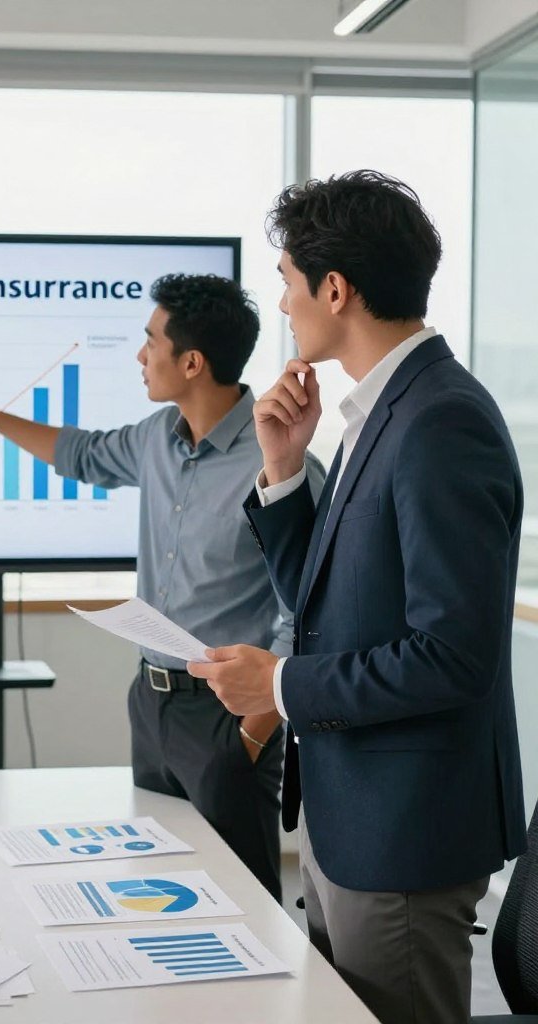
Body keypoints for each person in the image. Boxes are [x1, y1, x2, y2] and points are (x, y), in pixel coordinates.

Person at [192, 171, 527, 1024]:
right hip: (355, 822)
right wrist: (283, 466)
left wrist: (276, 687)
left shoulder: (440, 420)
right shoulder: (383, 412)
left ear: (335, 289)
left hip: (404, 835)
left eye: (288, 284)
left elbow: (452, 655)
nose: (283, 307)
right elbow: (324, 602)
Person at [0, 274, 324, 901]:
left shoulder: (277, 459)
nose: (140, 356)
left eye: (150, 341)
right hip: (151, 701)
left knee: (241, 902)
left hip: (228, 713)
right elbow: (78, 453)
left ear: (192, 362)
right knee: (160, 883)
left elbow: (305, 609)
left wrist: (254, 728)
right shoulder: (154, 439)